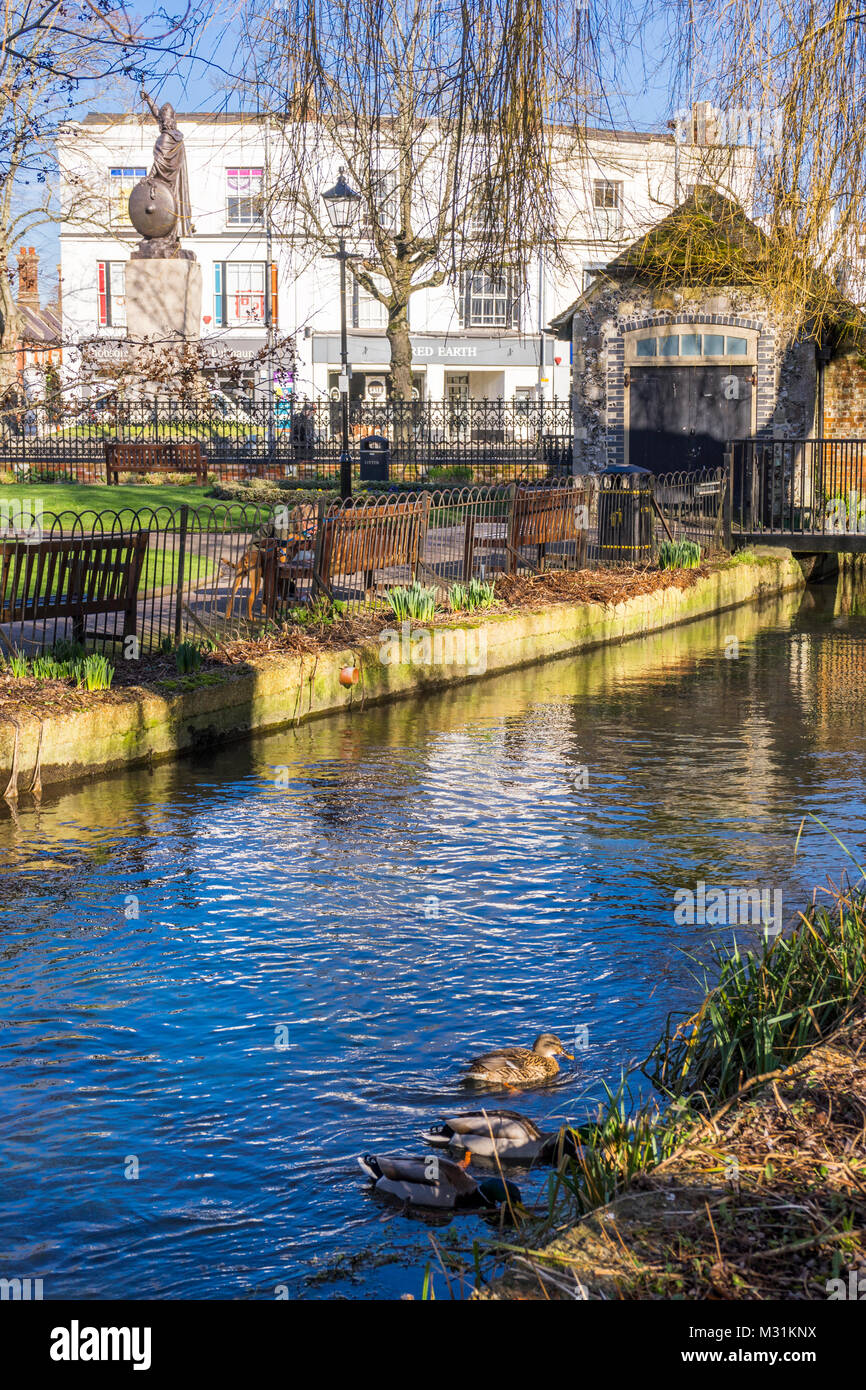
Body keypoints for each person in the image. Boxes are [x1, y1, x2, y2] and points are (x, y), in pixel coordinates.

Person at [140, 88, 193, 236]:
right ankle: (172, 234)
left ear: (163, 122)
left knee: (164, 209)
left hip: (164, 186)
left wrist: (149, 177)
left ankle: (167, 234)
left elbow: (159, 162)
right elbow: (158, 115)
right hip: (173, 185)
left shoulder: (164, 138)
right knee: (171, 207)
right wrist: (149, 101)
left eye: (161, 121)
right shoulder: (177, 138)